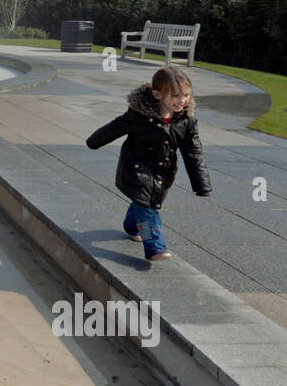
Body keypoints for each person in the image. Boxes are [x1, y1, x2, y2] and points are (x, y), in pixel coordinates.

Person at [85, 66, 211, 261]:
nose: (182, 101)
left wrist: (201, 183)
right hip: (136, 169)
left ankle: (130, 226)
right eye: (175, 96)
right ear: (157, 94)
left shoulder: (186, 121)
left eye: (186, 95)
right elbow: (114, 128)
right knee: (147, 210)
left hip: (163, 173)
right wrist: (94, 142)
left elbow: (193, 152)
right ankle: (153, 247)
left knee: (142, 204)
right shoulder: (139, 116)